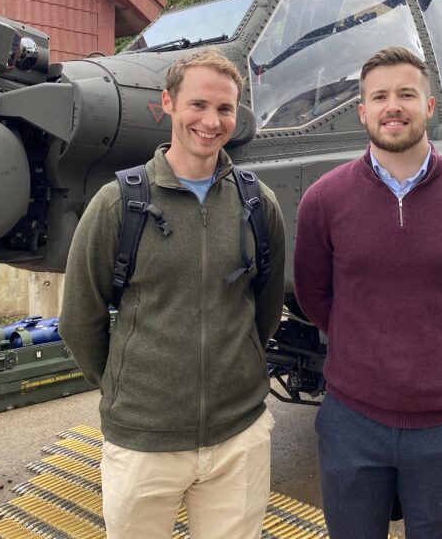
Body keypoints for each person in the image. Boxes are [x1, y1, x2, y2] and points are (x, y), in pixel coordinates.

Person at [59, 49, 286, 539]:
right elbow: (80, 320)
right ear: (167, 103)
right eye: (198, 105)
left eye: (225, 109)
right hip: (143, 440)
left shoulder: (257, 203)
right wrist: (131, 388)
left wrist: (239, 365)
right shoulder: (119, 204)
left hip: (238, 437)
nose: (211, 121)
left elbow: (264, 312)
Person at [293, 46, 442, 539]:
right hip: (350, 421)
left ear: (429, 107)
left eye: (406, 94)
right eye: (379, 97)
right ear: (362, 111)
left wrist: (441, 357)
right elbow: (314, 295)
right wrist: (361, 345)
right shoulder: (324, 201)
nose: (392, 106)